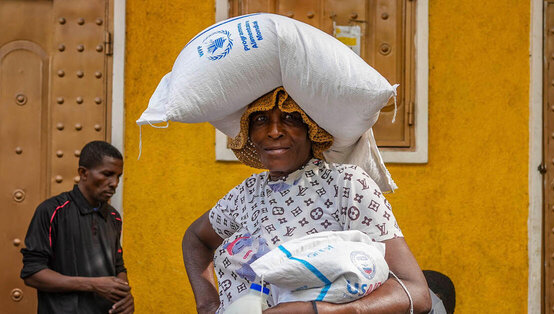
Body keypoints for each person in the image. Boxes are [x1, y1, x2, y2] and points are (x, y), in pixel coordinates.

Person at [183, 87, 431, 313]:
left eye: (291, 118)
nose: (274, 131)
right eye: (261, 120)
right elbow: (195, 238)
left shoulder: (346, 185)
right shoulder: (245, 193)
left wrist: (324, 311)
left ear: (311, 128)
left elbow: (415, 293)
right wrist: (208, 305)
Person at [20, 141, 134, 314]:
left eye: (118, 176)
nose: (114, 183)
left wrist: (125, 295)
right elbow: (32, 273)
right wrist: (92, 285)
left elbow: (119, 268)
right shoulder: (52, 211)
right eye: (108, 174)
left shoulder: (114, 217)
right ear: (83, 173)